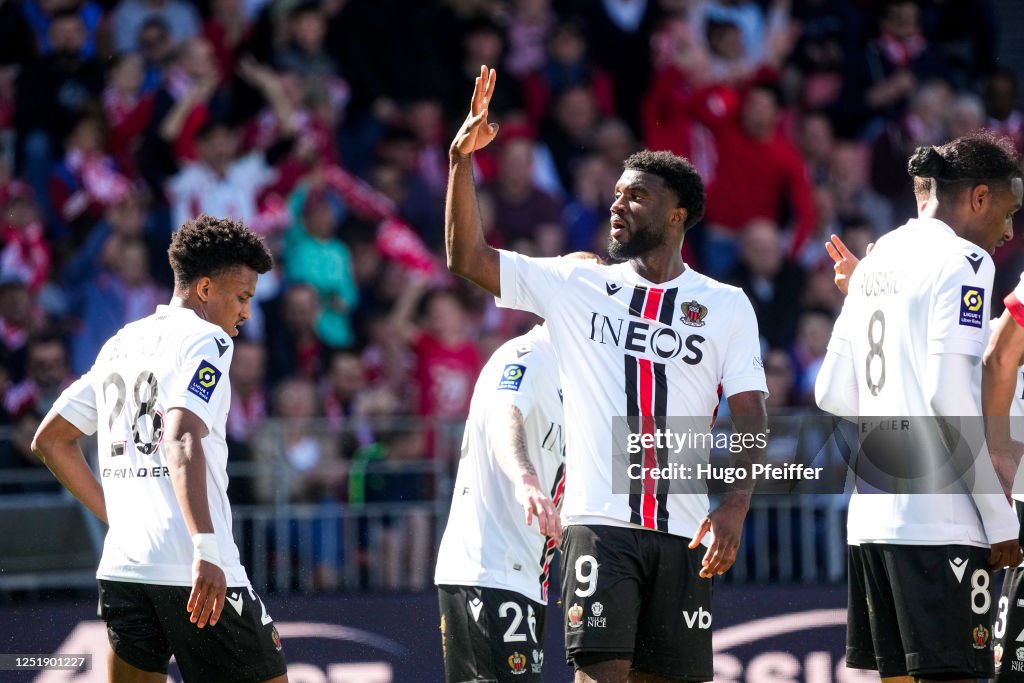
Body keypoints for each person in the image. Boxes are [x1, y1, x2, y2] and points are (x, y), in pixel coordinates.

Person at [446, 65, 768, 683]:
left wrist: (735, 507)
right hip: (599, 526)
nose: (617, 205)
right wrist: (462, 163)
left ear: (677, 214)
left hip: (685, 532)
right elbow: (467, 258)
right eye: (616, 194)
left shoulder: (726, 305)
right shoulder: (577, 284)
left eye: (636, 196)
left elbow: (751, 416)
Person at [30, 214, 288, 683]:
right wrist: (206, 547)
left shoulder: (121, 343)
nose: (246, 312)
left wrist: (119, 518)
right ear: (206, 290)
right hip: (193, 565)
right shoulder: (207, 340)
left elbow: (51, 440)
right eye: (243, 297)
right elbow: (182, 432)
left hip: (125, 567)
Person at [815, 133, 1024, 682]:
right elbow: (947, 395)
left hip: (872, 519)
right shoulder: (964, 260)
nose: (1008, 232)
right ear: (979, 198)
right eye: (1007, 212)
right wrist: (1000, 518)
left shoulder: (879, 258)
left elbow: (832, 391)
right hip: (940, 522)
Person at [435, 251, 600, 683]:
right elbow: (502, 414)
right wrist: (526, 479)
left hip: (525, 575)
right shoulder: (528, 354)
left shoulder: (577, 377)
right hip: (487, 569)